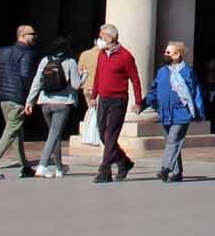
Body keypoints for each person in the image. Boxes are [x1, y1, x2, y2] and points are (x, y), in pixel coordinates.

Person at [0, 23, 40, 180]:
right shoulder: (27, 53)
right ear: (22, 36)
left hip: (4, 98)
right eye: (31, 34)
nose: (34, 36)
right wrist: (30, 98)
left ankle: (24, 166)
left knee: (16, 131)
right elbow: (25, 75)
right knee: (11, 131)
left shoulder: (2, 51)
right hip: (18, 98)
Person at [86, 23, 143, 183]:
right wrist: (93, 95)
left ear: (110, 38)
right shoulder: (102, 54)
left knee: (111, 134)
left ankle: (104, 170)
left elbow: (135, 79)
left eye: (102, 36)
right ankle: (124, 162)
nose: (100, 39)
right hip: (103, 99)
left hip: (118, 100)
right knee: (104, 134)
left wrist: (138, 102)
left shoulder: (125, 56)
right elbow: (98, 75)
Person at [144, 41, 205, 182]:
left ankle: (165, 168)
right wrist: (142, 105)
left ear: (177, 55)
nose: (165, 54)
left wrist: (199, 112)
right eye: (165, 51)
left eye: (168, 52)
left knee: (173, 140)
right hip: (165, 113)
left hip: (181, 113)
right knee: (173, 142)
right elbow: (153, 91)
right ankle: (177, 173)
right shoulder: (162, 72)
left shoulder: (188, 72)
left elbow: (196, 93)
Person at [26, 35, 80, 178]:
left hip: (45, 103)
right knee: (53, 135)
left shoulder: (45, 60)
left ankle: (59, 167)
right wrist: (84, 75)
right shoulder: (71, 62)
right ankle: (42, 166)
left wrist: (29, 101)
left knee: (54, 135)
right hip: (62, 104)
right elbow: (76, 85)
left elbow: (37, 82)